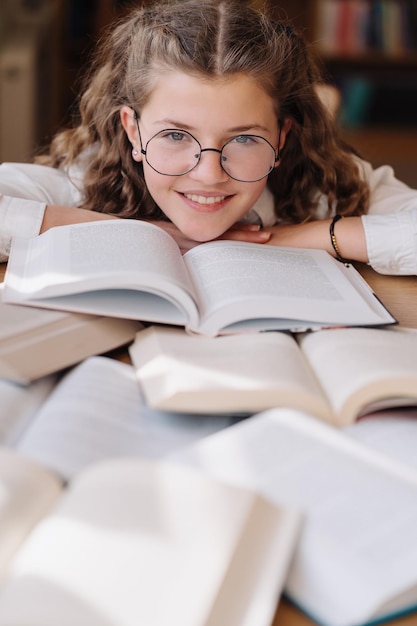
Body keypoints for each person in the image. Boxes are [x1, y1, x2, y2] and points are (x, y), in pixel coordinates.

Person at [0, 0, 416, 274]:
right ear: (133, 129)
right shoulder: (83, 176)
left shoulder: (322, 185)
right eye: (177, 135)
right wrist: (145, 232)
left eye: (244, 140)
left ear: (282, 136)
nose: (209, 174)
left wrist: (296, 238)